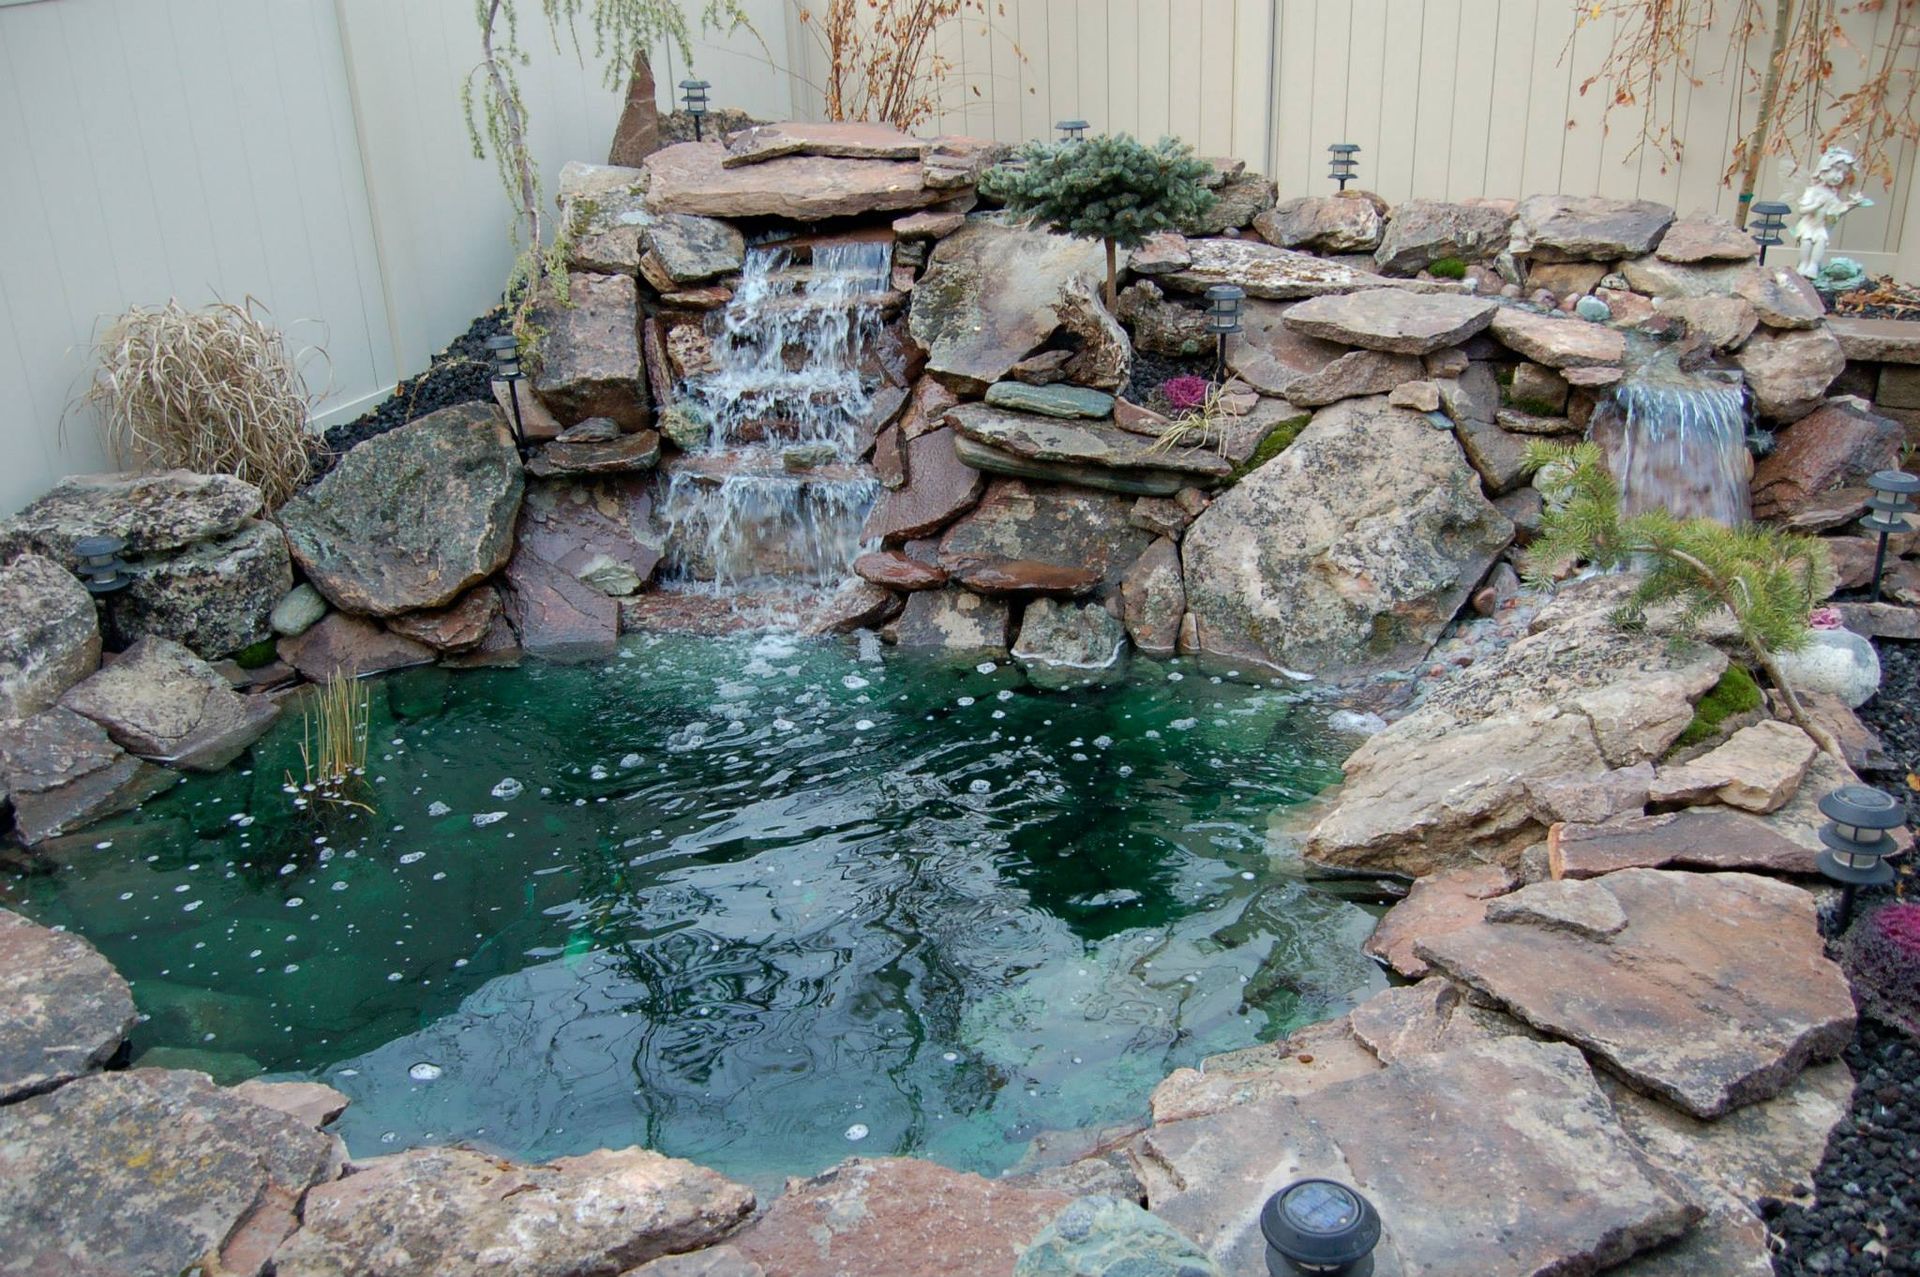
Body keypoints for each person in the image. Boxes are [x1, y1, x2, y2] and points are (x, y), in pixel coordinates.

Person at [1791, 146, 1872, 279]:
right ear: (1823, 170)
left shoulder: (1832, 196)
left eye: (1843, 173)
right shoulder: (1813, 191)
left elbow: (1836, 212)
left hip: (1820, 226)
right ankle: (1803, 264)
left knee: (1821, 242)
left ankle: (1813, 266)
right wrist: (1816, 205)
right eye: (1836, 170)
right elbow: (1802, 210)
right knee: (1806, 242)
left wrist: (1852, 204)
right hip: (1809, 225)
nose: (1839, 176)